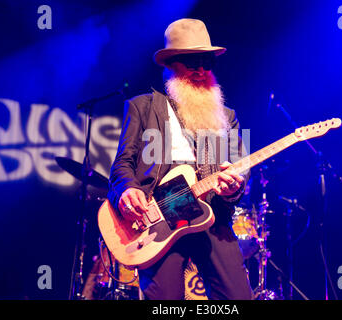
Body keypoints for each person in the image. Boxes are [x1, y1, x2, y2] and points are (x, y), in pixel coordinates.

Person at [107, 18, 252, 300]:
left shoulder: (228, 117)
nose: (200, 70)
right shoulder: (141, 107)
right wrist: (129, 189)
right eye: (191, 61)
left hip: (211, 214)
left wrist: (235, 187)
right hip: (157, 220)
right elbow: (121, 165)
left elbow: (239, 168)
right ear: (170, 64)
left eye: (206, 62)